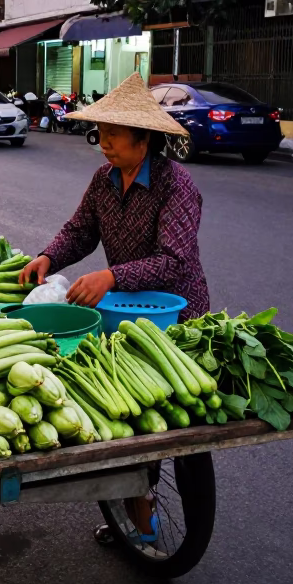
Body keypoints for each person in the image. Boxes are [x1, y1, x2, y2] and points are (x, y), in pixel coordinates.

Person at [19, 74, 209, 543]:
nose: (102, 143)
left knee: (179, 424)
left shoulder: (176, 185)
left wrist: (113, 275)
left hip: (175, 313)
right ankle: (136, 510)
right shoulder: (104, 180)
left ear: (143, 139)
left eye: (112, 135)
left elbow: (174, 260)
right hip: (123, 310)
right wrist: (48, 256)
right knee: (129, 419)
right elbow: (80, 230)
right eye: (99, 133)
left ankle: (145, 508)